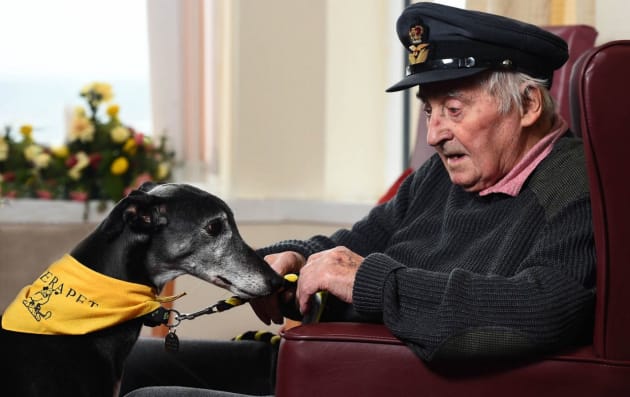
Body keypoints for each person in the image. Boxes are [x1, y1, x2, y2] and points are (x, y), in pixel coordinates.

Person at [123, 2, 595, 396]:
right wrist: (296, 260)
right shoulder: (441, 175)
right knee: (123, 363)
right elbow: (357, 242)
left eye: (453, 109)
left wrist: (367, 280)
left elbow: (542, 308)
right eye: (429, 111)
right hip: (335, 366)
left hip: (384, 381)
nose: (433, 134)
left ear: (529, 105)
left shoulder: (580, 185)